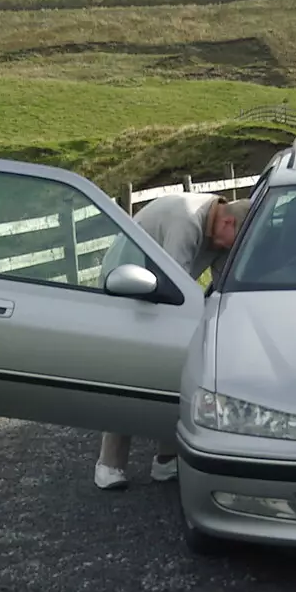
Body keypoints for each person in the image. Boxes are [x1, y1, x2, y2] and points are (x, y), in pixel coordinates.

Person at [94, 191, 250, 490]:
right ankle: (109, 465)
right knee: (131, 375)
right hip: (126, 288)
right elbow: (175, 282)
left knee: (175, 373)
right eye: (235, 241)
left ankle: (166, 461)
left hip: (160, 294)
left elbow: (222, 284)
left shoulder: (221, 232)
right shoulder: (187, 221)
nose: (233, 248)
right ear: (228, 221)